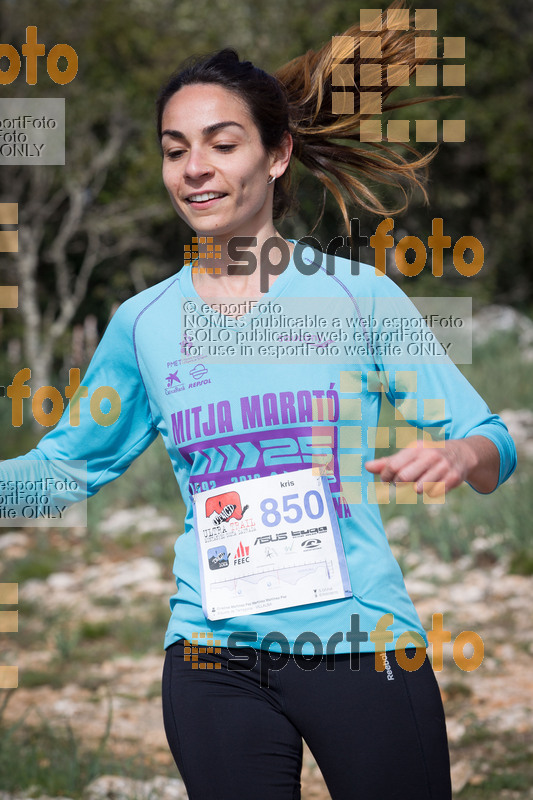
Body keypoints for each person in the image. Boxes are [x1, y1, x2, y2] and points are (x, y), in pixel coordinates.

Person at [1, 6, 517, 800]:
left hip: (359, 642)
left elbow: (489, 441)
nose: (194, 169)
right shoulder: (144, 324)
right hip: (212, 656)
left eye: (221, 144)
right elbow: (64, 470)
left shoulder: (355, 297)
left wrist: (456, 454)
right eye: (175, 150)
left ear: (276, 156)